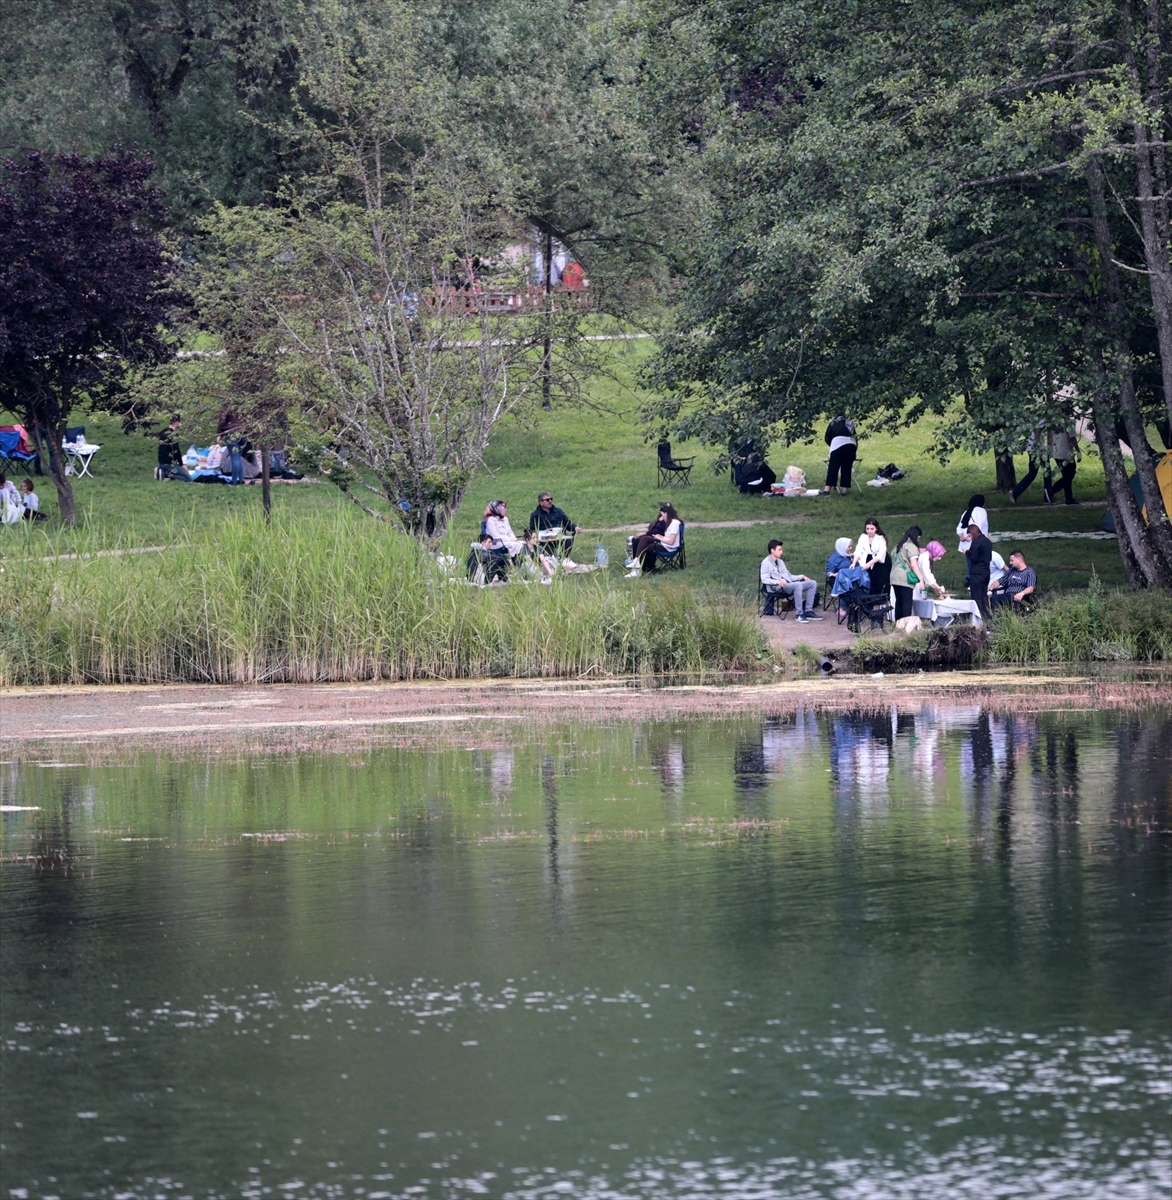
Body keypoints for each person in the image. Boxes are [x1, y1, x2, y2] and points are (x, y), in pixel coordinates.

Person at [760, 538, 822, 621]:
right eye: (779, 550)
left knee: (812, 583)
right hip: (776, 588)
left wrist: (802, 577)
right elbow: (764, 579)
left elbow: (789, 576)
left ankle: (808, 611)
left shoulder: (780, 562)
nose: (782, 552)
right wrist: (777, 581)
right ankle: (799, 614)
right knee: (798, 585)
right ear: (772, 550)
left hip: (787, 585)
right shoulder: (765, 563)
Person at [625, 503, 681, 577]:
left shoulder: (674, 523)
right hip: (665, 544)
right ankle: (637, 565)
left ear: (666, 513)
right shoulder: (671, 522)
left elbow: (671, 542)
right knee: (644, 541)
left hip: (669, 548)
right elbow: (667, 537)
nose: (662, 517)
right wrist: (660, 537)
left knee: (645, 542)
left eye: (662, 514)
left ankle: (637, 566)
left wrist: (659, 538)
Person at [891, 526, 924, 621]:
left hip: (894, 577)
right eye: (919, 538)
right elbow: (914, 565)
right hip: (904, 578)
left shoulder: (898, 546)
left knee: (899, 602)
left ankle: (898, 625)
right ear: (916, 536)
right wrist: (921, 580)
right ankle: (905, 626)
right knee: (906, 603)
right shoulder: (911, 547)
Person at [852, 518, 889, 594]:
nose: (869, 531)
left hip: (880, 563)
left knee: (879, 582)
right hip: (867, 560)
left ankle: (882, 602)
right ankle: (871, 603)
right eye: (867, 529)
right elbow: (858, 550)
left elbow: (881, 554)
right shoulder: (863, 537)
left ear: (876, 529)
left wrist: (870, 563)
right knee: (870, 582)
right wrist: (854, 562)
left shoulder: (880, 538)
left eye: (872, 529)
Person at [823, 415, 857, 494]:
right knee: (847, 467)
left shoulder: (833, 423)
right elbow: (855, 436)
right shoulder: (850, 422)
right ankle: (845, 490)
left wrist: (833, 445)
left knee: (833, 467)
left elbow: (827, 438)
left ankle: (827, 490)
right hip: (851, 445)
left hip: (837, 444)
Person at [966, 522, 994, 617]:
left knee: (976, 599)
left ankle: (981, 619)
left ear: (972, 533)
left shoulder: (976, 542)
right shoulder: (987, 541)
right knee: (983, 597)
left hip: (977, 573)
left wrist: (967, 553)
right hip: (986, 572)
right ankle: (989, 617)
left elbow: (974, 558)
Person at [1047, 427, 1078, 504]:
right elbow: (1072, 438)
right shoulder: (1068, 423)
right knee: (1070, 475)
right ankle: (1052, 490)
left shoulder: (1053, 422)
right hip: (1066, 453)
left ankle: (1069, 498)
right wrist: (1078, 451)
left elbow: (1049, 437)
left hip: (1056, 452)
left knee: (1066, 476)